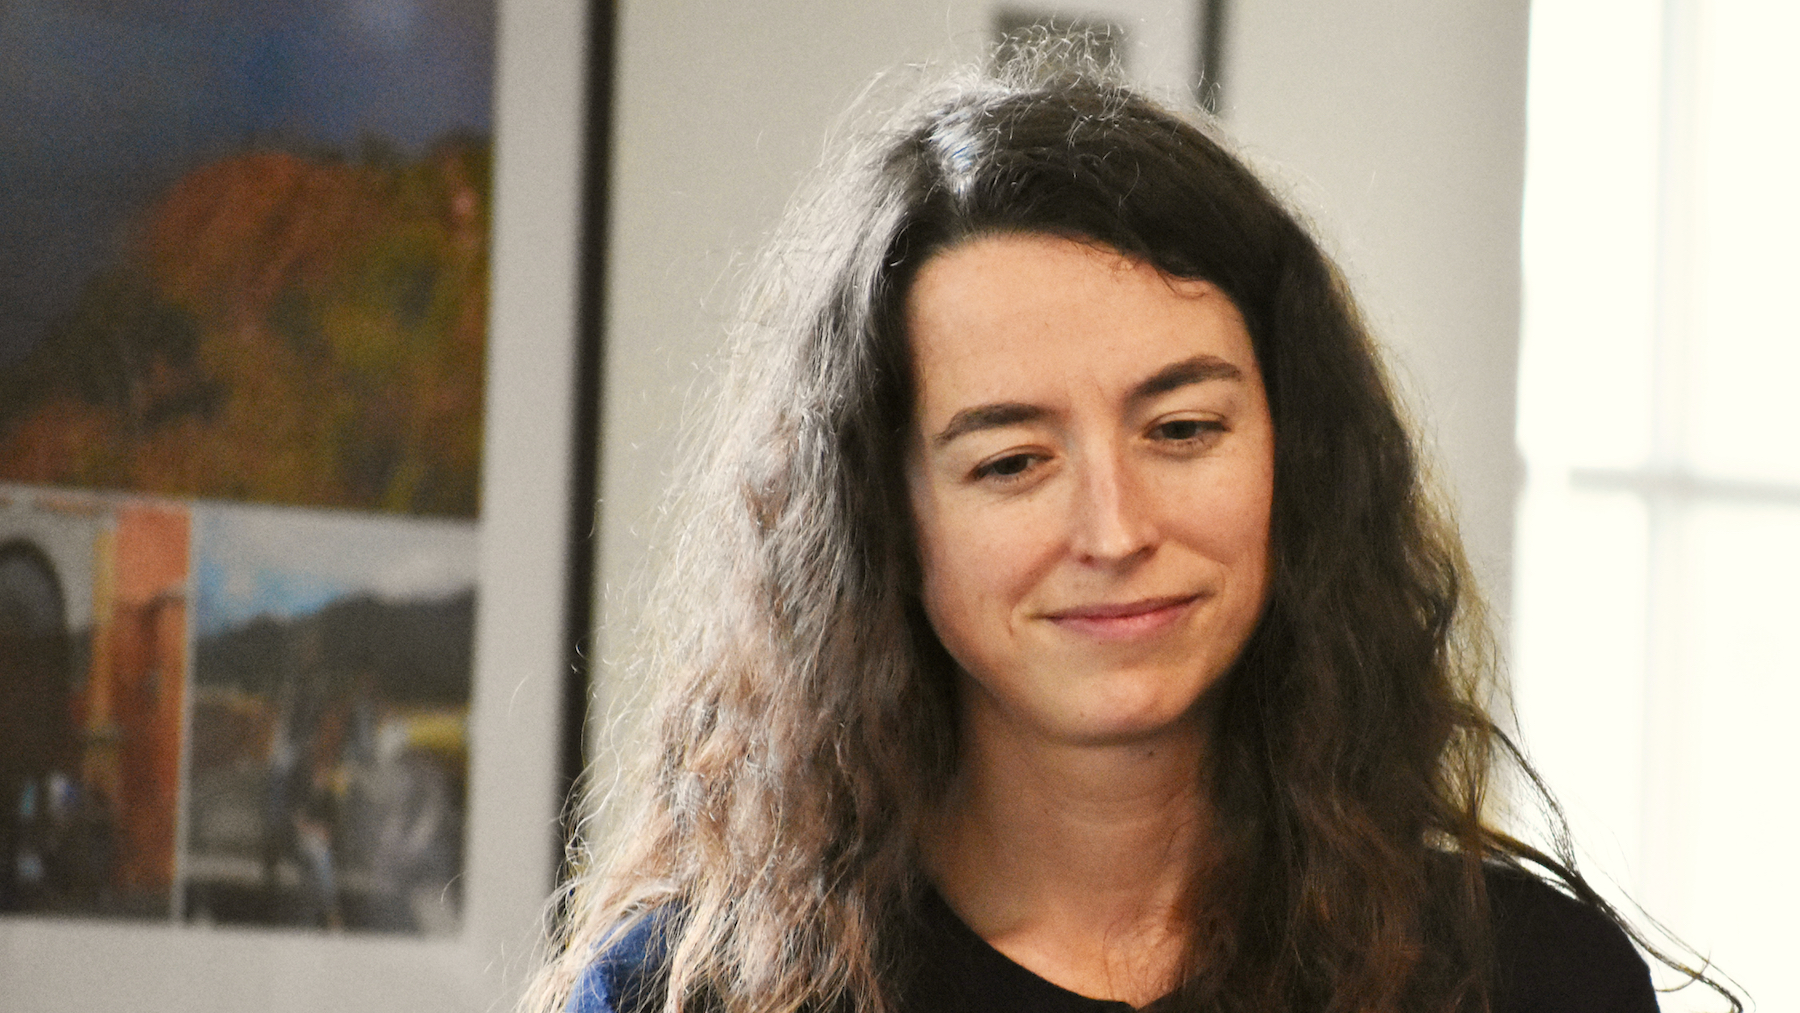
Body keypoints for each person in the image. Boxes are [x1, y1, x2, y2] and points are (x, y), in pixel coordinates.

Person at [526, 56, 1739, 1013]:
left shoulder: (1525, 979)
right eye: (1011, 461)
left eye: (1183, 428)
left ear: (1295, 459)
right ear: (882, 520)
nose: (1113, 527)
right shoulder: (695, 994)